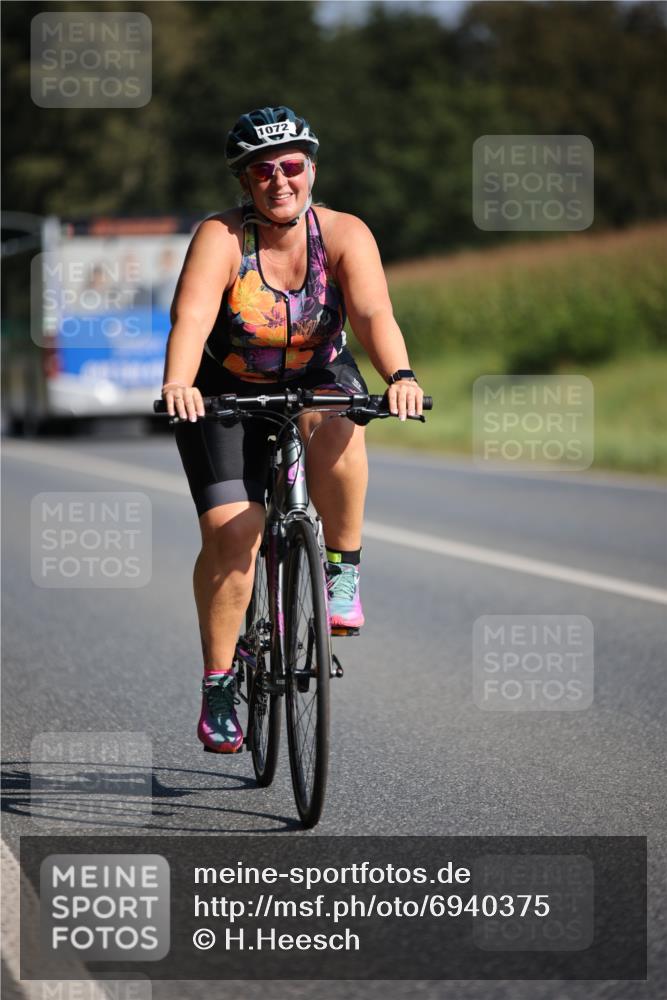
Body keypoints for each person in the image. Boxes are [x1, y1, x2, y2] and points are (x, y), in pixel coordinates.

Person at [161, 106, 423, 753]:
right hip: (224, 385)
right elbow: (191, 317)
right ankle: (219, 683)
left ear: (311, 169)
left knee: (343, 416)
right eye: (262, 171)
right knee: (234, 534)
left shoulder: (343, 233)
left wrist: (400, 374)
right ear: (244, 182)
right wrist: (178, 383)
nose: (279, 180)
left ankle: (341, 569)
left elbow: (372, 311)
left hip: (316, 371)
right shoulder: (221, 237)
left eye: (291, 166)